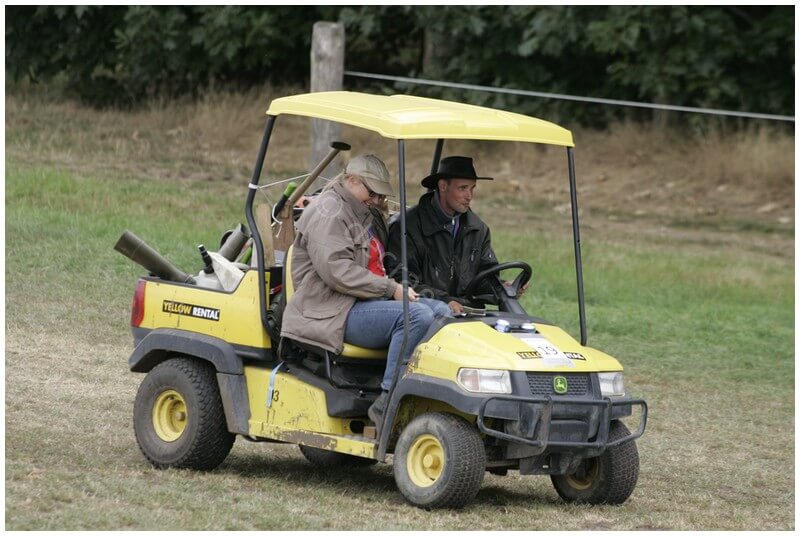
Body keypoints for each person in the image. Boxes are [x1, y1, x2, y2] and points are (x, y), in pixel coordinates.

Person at [281, 154, 450, 431]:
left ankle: (428, 392)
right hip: (332, 310)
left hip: (360, 302)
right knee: (415, 316)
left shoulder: (361, 211)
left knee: (441, 312)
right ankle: (389, 402)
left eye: (380, 195)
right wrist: (391, 288)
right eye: (372, 193)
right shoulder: (329, 212)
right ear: (351, 180)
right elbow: (338, 272)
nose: (376, 200)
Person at [385, 155, 527, 315]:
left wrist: (502, 288)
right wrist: (444, 301)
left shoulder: (478, 229)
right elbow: (402, 279)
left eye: (472, 188)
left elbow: (483, 279)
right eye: (463, 188)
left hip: (469, 313)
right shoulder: (407, 226)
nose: (469, 196)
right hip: (426, 313)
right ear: (443, 186)